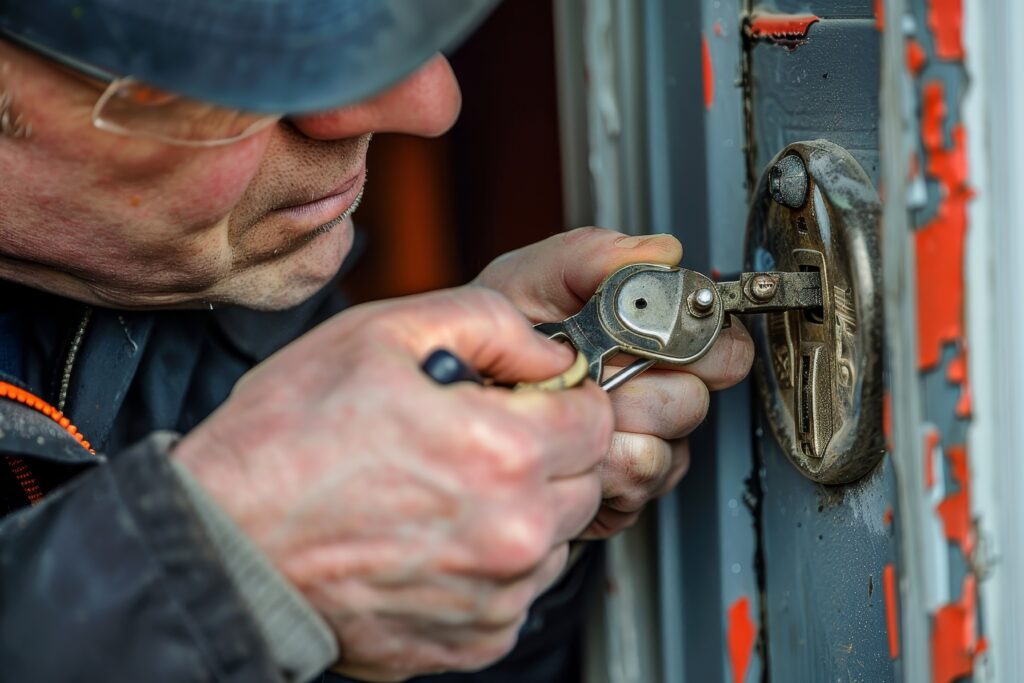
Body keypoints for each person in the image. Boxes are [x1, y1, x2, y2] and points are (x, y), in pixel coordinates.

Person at [0, 2, 753, 681]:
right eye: (244, 71)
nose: (430, 103)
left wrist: (476, 550)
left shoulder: (198, 289)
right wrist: (215, 571)